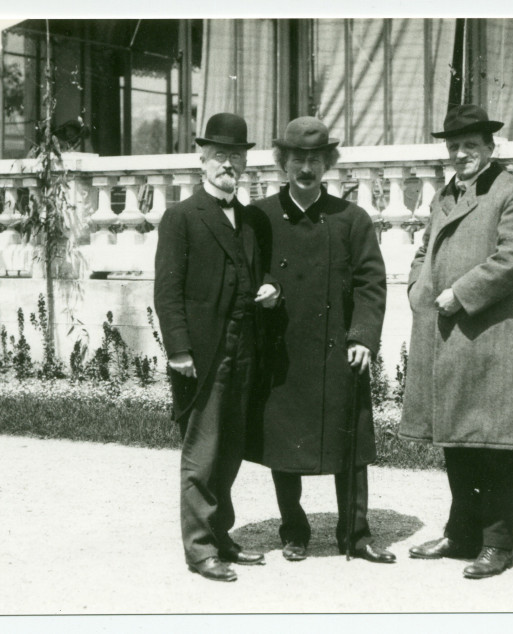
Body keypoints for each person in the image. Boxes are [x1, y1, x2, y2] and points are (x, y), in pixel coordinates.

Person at [400, 104, 513, 579]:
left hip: (495, 337)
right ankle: (461, 533)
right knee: (457, 439)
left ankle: (498, 544)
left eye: (471, 146)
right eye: (454, 147)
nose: (461, 154)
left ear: (489, 147)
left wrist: (460, 293)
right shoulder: (446, 195)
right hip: (448, 333)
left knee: (498, 443)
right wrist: (417, 285)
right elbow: (426, 247)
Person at [246, 116, 396, 564]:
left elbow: (373, 283)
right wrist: (265, 289)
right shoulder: (261, 217)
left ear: (328, 163)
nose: (306, 168)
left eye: (315, 159)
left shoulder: (351, 219)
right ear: (282, 162)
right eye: (297, 159)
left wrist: (364, 338)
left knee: (349, 444)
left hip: (338, 351)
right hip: (283, 351)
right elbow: (249, 271)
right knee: (282, 444)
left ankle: (357, 535)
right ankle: (293, 528)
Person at [153, 112, 281, 582]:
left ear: (246, 164)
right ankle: (200, 548)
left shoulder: (250, 219)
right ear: (201, 159)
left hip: (245, 347)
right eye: (221, 155)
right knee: (202, 451)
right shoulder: (182, 218)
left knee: (230, 449)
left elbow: (262, 272)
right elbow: (167, 291)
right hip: (203, 353)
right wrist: (180, 349)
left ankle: (222, 536)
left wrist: (271, 289)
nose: (229, 164)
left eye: (237, 156)